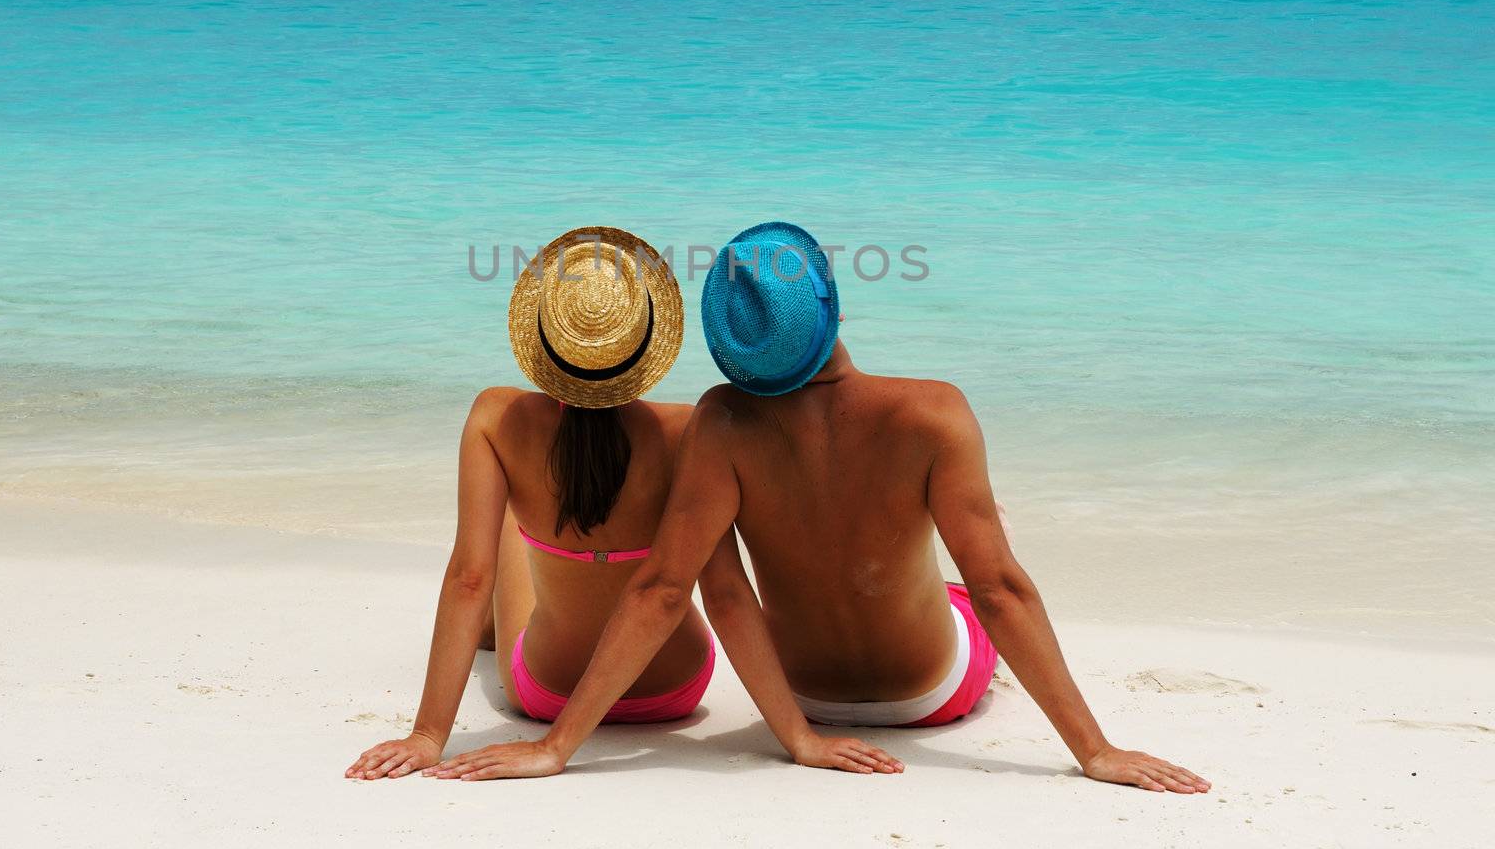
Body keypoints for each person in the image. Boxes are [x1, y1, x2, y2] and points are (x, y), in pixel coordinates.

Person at [432, 220, 1210, 793]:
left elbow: (669, 588)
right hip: (933, 695)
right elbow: (1003, 592)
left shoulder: (721, 422)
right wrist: (1095, 751)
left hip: (803, 695)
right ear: (834, 305)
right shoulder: (933, 413)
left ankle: (507, 638)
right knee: (979, 555)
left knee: (519, 533)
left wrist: (563, 746)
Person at [347, 223, 887, 781]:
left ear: (541, 341)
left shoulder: (496, 419)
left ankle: (487, 633)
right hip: (675, 691)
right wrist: (798, 737)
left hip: (547, 693)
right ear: (651, 342)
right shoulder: (691, 430)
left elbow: (469, 578)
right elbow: (725, 594)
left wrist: (429, 735)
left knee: (509, 519)